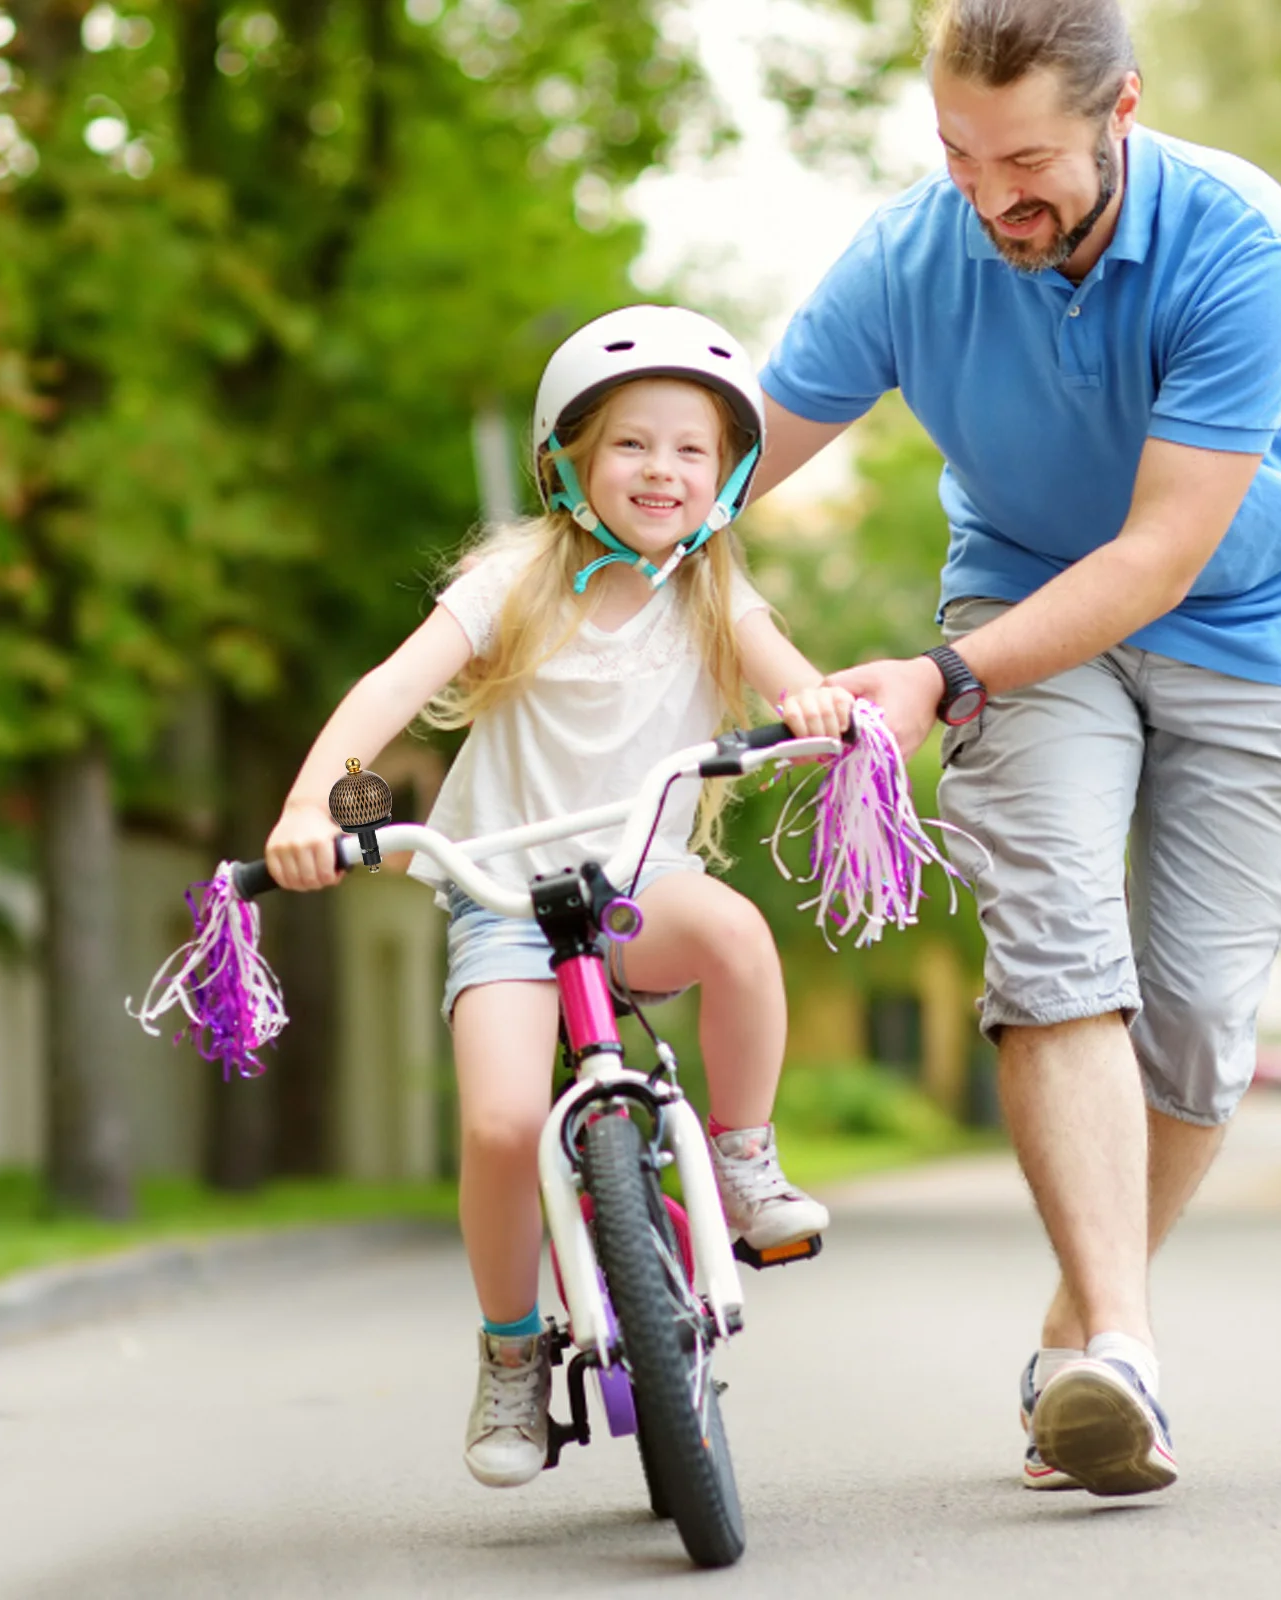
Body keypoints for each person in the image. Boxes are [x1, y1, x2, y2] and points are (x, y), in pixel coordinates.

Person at [750, 0, 1281, 1497]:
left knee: (1206, 1015)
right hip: (1019, 592)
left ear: (1122, 112)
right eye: (958, 153)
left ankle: (1082, 1331)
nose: (989, 195)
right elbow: (726, 460)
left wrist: (933, 678)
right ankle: (1124, 1362)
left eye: (1025, 160)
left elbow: (1159, 553)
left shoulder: (1244, 241)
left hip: (1245, 615)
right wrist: (583, 543)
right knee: (1055, 943)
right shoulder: (913, 253)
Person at [264, 305, 852, 1491]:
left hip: (644, 885)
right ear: (571, 460)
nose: (662, 470)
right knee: (494, 1126)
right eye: (633, 444)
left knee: (736, 934)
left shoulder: (711, 590)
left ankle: (740, 1158)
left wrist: (820, 710)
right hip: (502, 897)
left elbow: (796, 684)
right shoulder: (513, 579)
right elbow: (388, 688)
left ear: (728, 473)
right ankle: (511, 1351)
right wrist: (307, 806)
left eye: (692, 449)